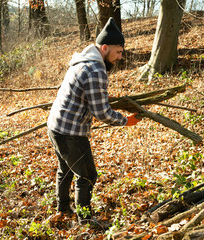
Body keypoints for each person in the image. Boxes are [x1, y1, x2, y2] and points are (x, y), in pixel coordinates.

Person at [47, 17, 141, 224]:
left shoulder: (82, 62)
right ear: (105, 48)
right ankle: (86, 221)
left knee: (66, 169)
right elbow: (102, 113)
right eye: (118, 52)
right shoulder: (96, 70)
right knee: (88, 176)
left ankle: (63, 208)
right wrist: (126, 121)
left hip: (55, 126)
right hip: (70, 132)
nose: (120, 57)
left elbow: (83, 95)